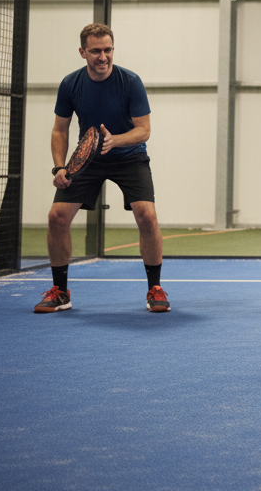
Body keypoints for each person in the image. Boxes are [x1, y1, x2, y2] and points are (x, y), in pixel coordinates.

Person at [34, 24, 168, 313]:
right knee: (57, 217)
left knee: (147, 215)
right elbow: (60, 129)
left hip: (129, 157)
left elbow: (143, 130)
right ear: (83, 52)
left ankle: (155, 288)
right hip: (88, 159)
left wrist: (114, 140)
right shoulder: (70, 84)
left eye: (108, 50)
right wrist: (59, 167)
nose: (103, 56)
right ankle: (60, 292)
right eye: (95, 51)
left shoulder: (130, 81)